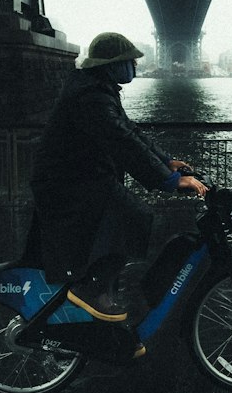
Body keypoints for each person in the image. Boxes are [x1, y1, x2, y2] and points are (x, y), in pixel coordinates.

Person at [27, 31, 207, 334]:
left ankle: (99, 297)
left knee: (114, 222)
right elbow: (122, 142)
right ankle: (91, 288)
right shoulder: (91, 98)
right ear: (112, 65)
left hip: (79, 177)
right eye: (130, 61)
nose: (134, 66)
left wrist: (166, 162)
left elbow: (130, 131)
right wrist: (171, 181)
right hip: (68, 183)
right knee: (133, 215)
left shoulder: (97, 89)